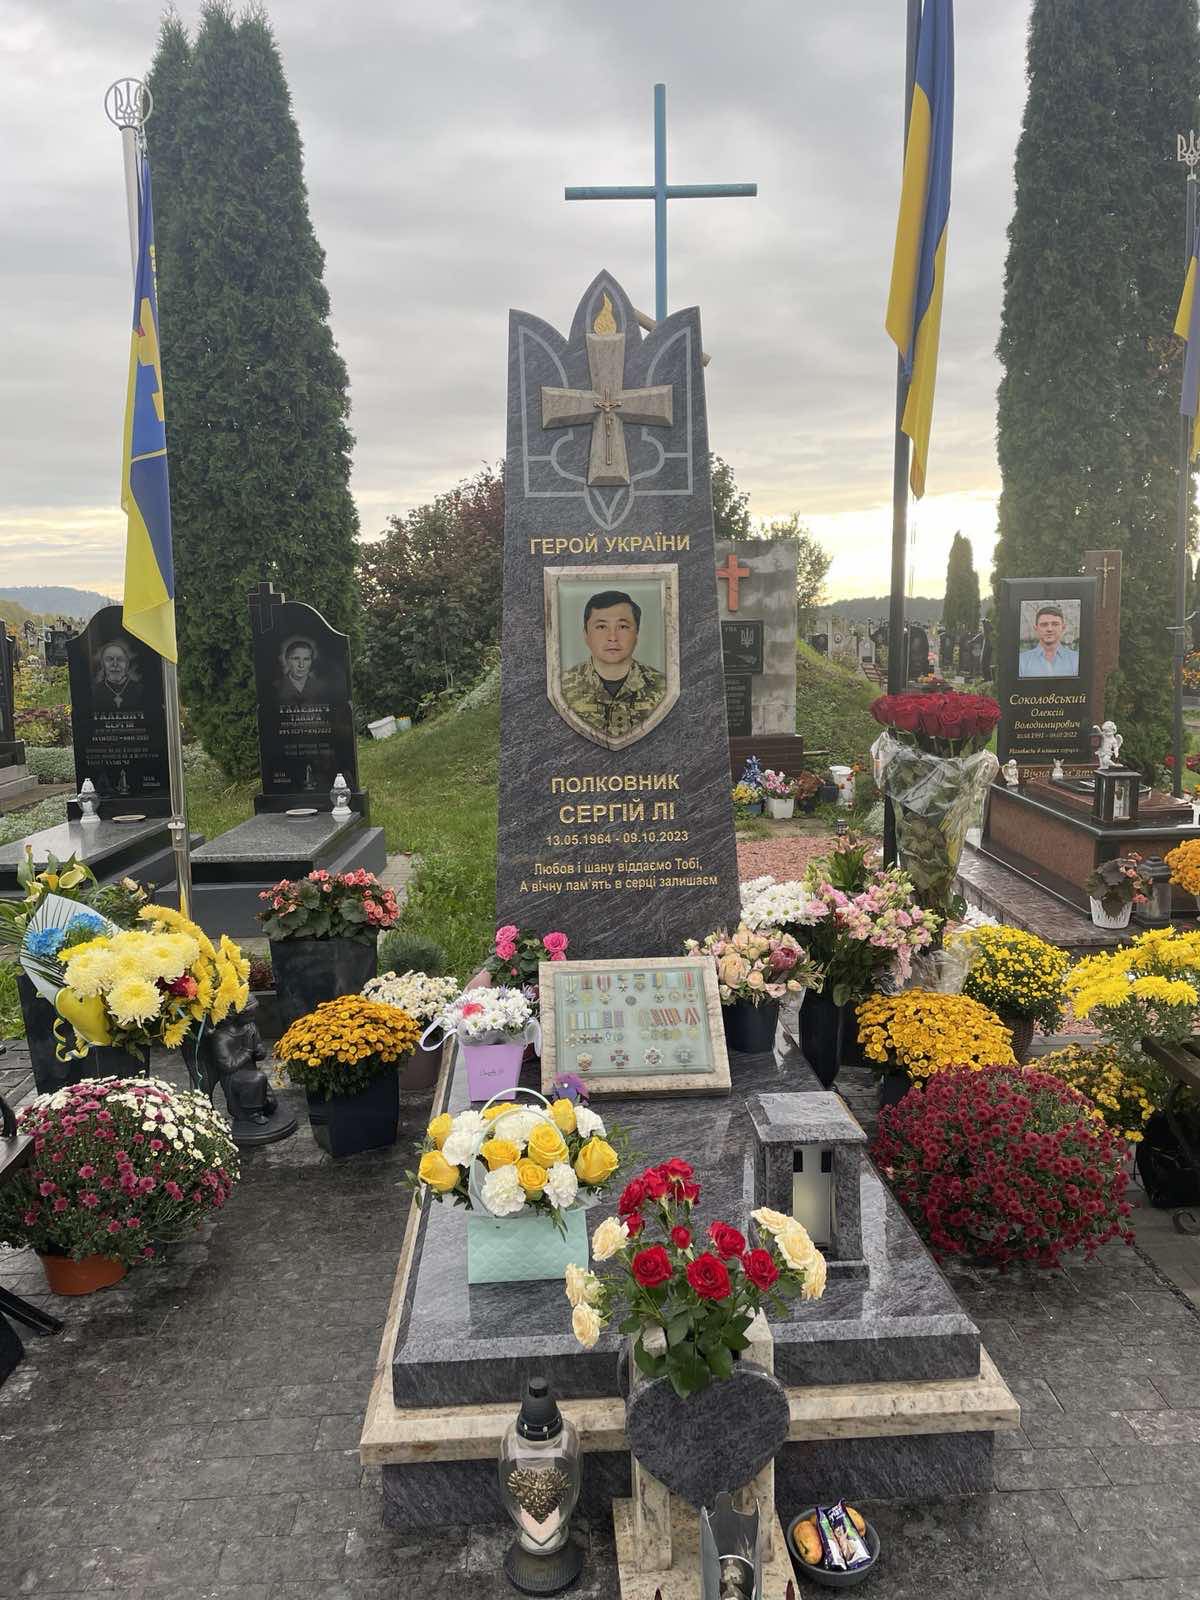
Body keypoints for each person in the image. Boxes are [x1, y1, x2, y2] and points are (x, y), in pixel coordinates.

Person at [559, 590, 667, 741]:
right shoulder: (561, 687)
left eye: (622, 627)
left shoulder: (664, 687)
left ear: (637, 633)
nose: (612, 637)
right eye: (601, 627)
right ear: (586, 634)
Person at [1018, 603, 1079, 678]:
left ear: (1063, 628)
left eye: (1055, 624)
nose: (1049, 629)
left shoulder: (1077, 660)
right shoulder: (1021, 661)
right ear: (1036, 629)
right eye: (1044, 625)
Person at [92, 639, 143, 711]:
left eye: (120, 659)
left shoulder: (140, 690)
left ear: (127, 664)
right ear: (102, 664)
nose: (115, 664)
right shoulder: (94, 691)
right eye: (109, 659)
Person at [275, 638, 326, 704]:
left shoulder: (321, 688)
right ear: (287, 660)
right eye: (296, 658)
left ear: (311, 661)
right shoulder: (275, 687)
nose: (301, 665)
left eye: (306, 659)